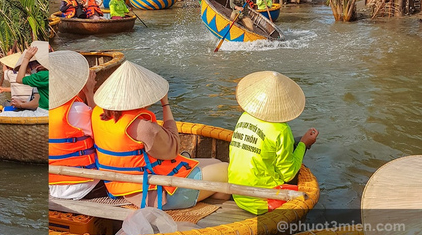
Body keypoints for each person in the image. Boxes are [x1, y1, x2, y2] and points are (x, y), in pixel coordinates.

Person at [92, 61, 229, 210]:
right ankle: (203, 208)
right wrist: (165, 104)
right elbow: (173, 149)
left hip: (120, 187)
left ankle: (201, 199)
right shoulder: (143, 127)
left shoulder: (97, 113)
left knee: (214, 161)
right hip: (154, 195)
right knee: (225, 171)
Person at [227, 71, 318, 215]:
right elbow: (288, 174)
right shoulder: (281, 129)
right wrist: (304, 144)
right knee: (297, 145)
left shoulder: (244, 117)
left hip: (237, 193)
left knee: (292, 142)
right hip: (262, 200)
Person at [45, 50, 99, 200]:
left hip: (53, 183)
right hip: (82, 183)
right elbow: (102, 131)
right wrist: (89, 93)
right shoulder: (76, 110)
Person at [15, 41, 50, 111]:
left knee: (3, 114)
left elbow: (19, 79)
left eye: (27, 70)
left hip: (44, 112)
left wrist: (26, 59)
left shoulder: (41, 76)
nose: (29, 73)